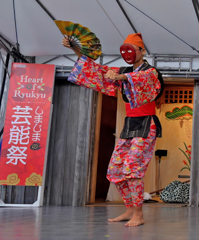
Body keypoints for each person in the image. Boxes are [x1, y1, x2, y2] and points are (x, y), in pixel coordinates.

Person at [64, 33, 163, 227]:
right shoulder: (124, 70)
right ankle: (130, 209)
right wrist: (74, 49)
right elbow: (96, 70)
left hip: (146, 124)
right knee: (115, 170)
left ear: (142, 51)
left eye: (132, 49)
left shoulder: (150, 72)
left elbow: (141, 78)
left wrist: (120, 77)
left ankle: (139, 214)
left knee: (132, 169)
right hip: (129, 124)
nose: (128, 54)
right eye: (124, 50)